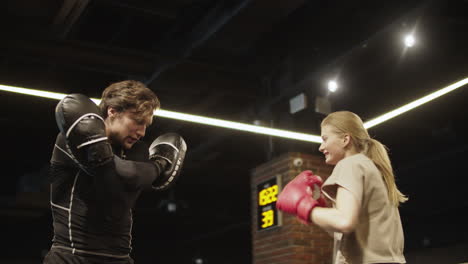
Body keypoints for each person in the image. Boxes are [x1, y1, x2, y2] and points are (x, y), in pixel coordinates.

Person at [43, 80, 187, 264]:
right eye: (138, 121)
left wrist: (141, 172)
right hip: (72, 255)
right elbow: (117, 175)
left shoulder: (137, 150)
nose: (142, 132)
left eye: (146, 125)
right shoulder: (71, 139)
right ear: (112, 111)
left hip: (119, 258)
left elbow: (119, 201)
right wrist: (158, 165)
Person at [277, 111, 407, 264]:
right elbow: (345, 231)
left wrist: (304, 206)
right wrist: (322, 210)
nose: (321, 147)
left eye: (325, 139)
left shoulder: (350, 164)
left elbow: (344, 222)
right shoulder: (371, 168)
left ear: (345, 139)